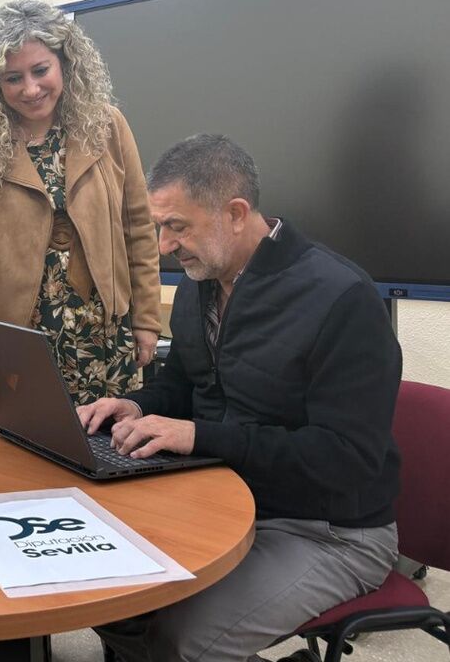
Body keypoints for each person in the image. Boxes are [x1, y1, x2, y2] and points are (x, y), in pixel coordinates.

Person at [79, 134, 401, 661]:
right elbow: (185, 383)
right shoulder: (201, 280)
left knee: (183, 641)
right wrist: (135, 405)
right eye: (159, 226)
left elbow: (346, 458)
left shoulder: (342, 297)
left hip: (330, 530)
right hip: (225, 500)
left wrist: (200, 437)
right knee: (104, 597)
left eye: (176, 226)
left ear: (234, 213)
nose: (163, 245)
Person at [0, 0, 160, 404]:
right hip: (12, 331)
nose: (30, 89)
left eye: (41, 70)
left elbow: (137, 226)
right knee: (9, 438)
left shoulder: (107, 126)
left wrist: (147, 319)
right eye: (13, 78)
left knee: (101, 436)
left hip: (100, 332)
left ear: (65, 62)